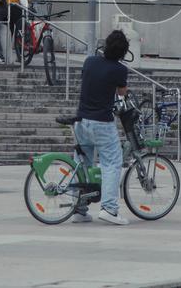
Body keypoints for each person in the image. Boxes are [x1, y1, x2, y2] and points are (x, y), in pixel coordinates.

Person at [71, 29, 131, 225]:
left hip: (81, 120)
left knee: (82, 164)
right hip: (101, 123)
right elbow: (122, 93)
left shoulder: (90, 61)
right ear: (123, 52)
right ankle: (109, 209)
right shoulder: (120, 70)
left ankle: (79, 210)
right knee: (112, 162)